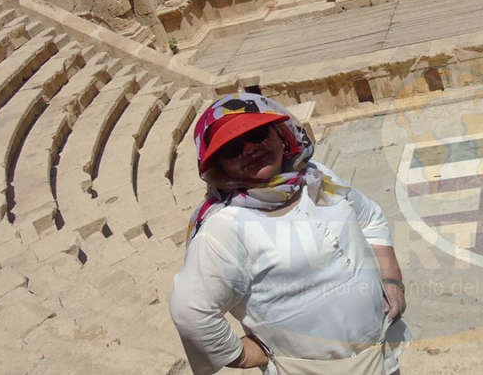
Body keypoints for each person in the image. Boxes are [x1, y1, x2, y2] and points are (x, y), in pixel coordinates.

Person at [169, 93, 409, 374]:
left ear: (281, 135)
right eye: (232, 148)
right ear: (217, 166)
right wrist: (243, 355)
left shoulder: (315, 176)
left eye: (257, 134)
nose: (249, 149)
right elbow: (191, 311)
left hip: (381, 354)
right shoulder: (223, 227)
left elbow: (370, 218)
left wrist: (391, 278)